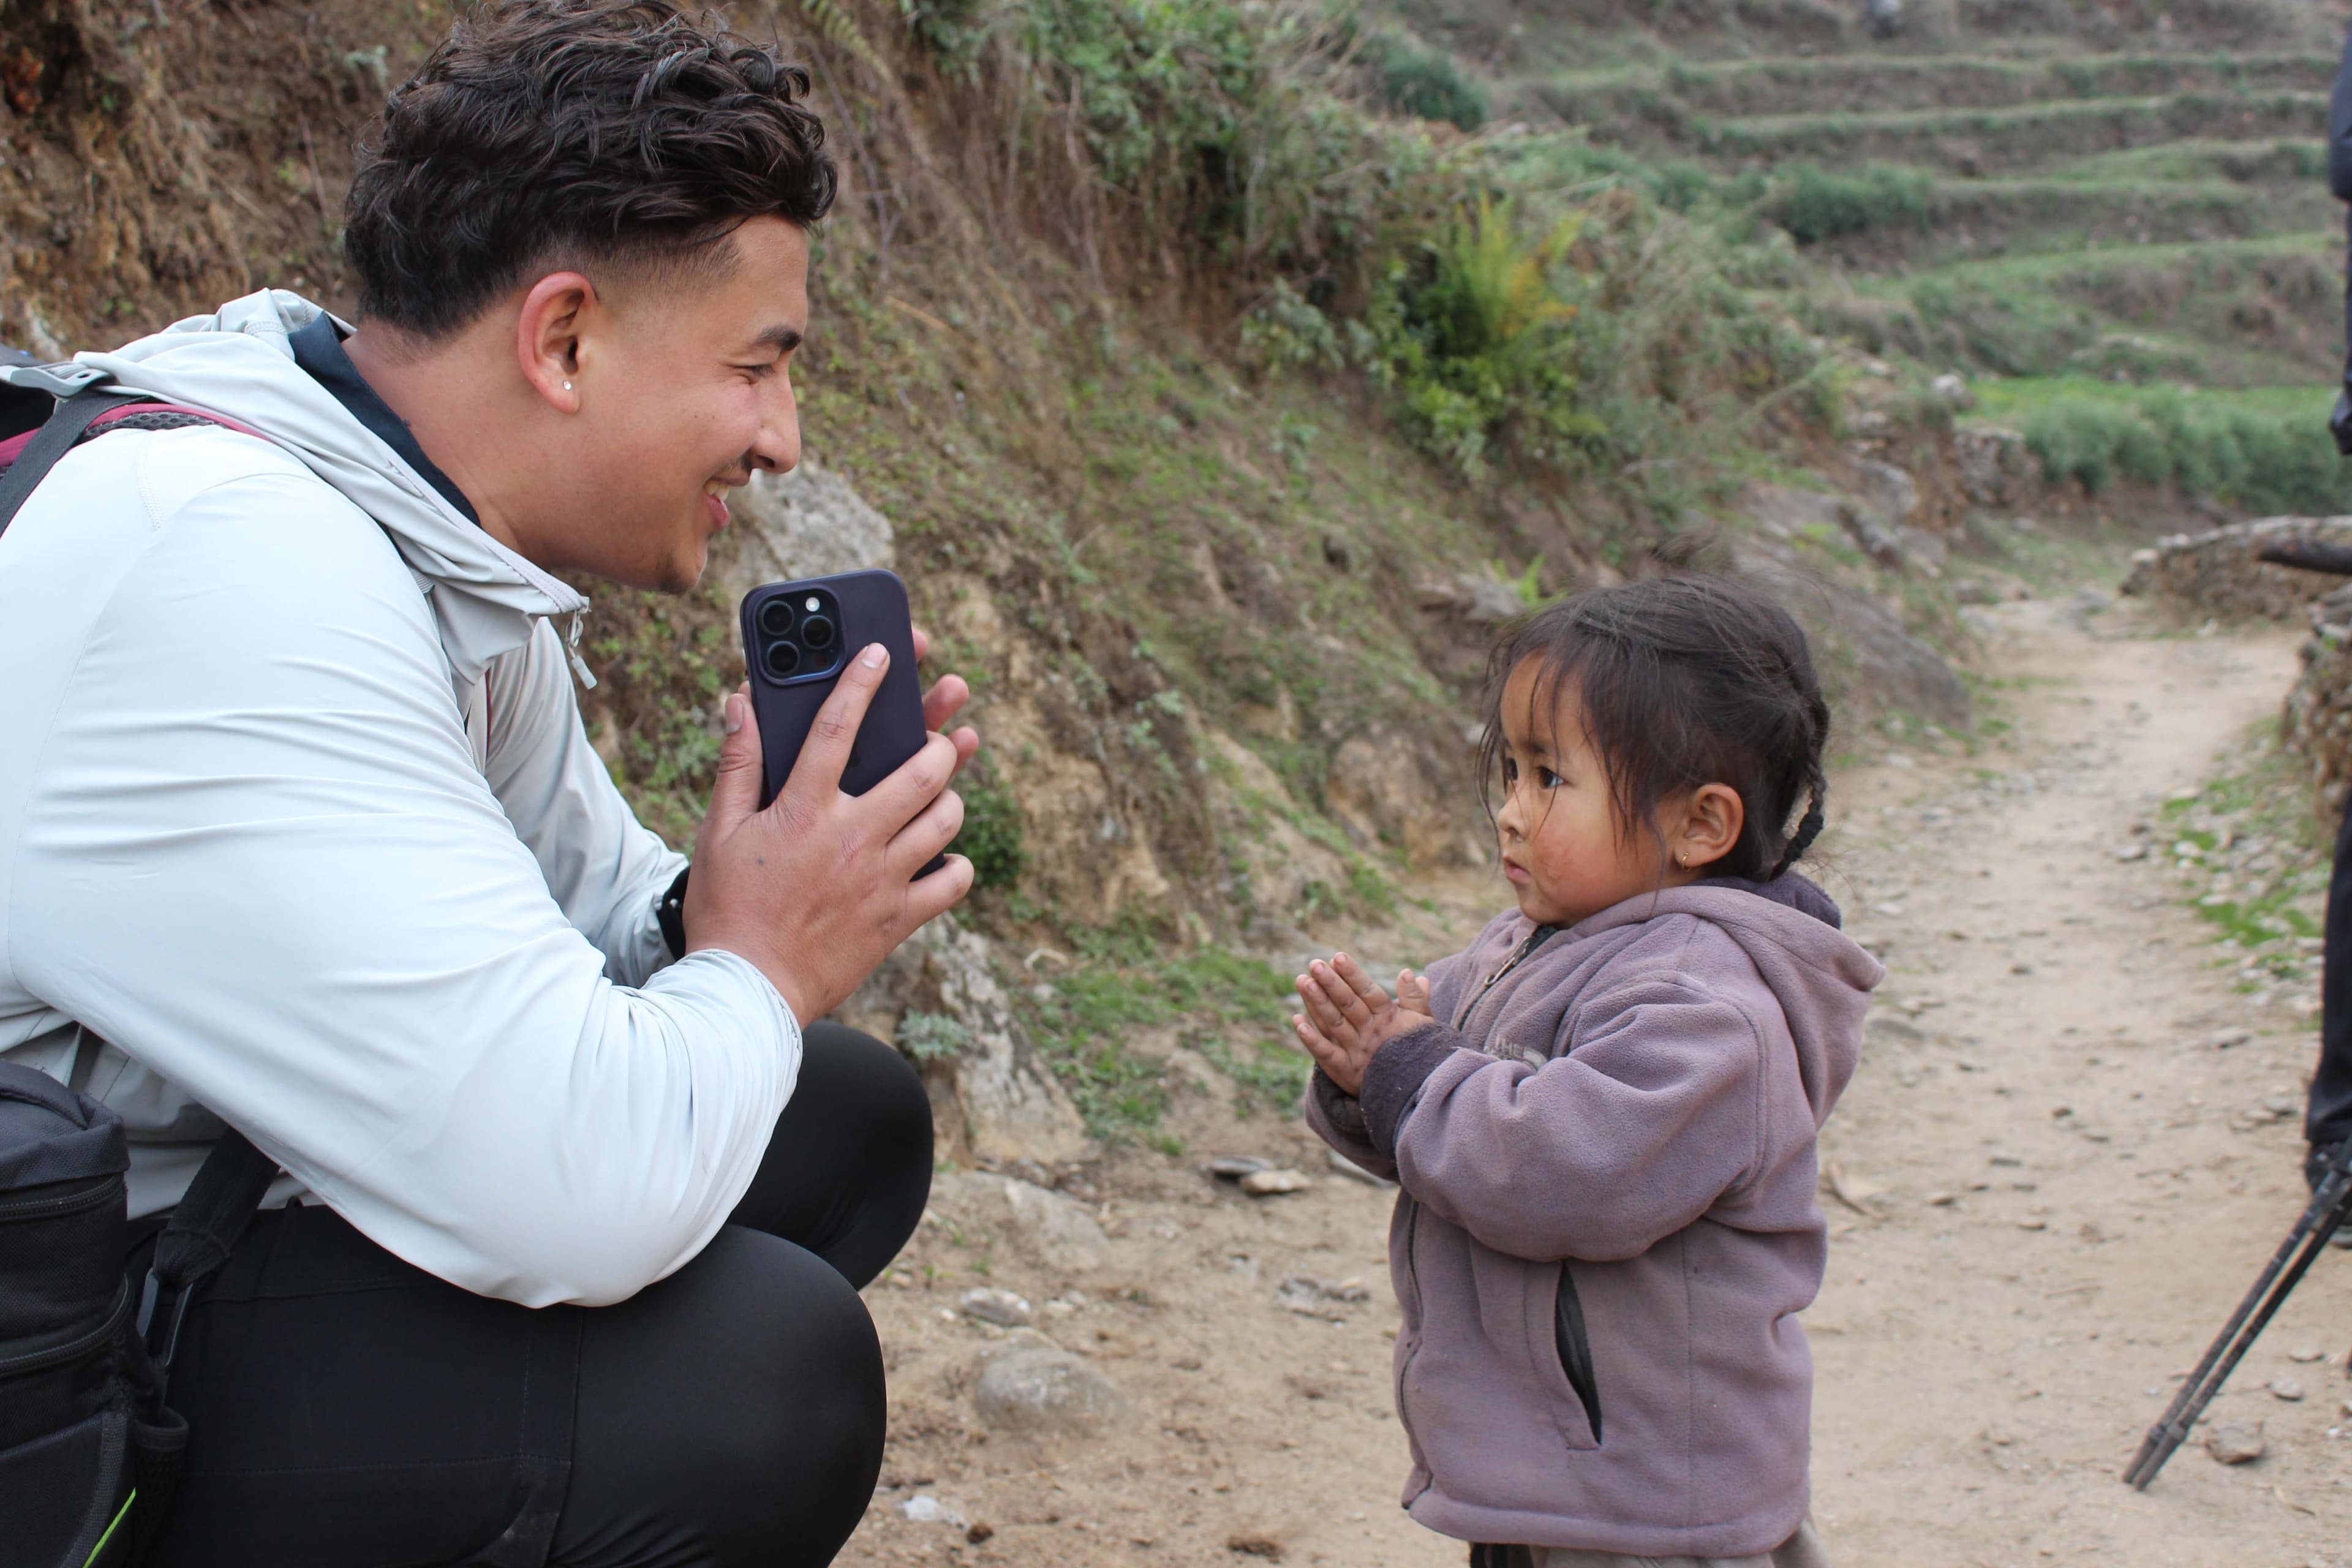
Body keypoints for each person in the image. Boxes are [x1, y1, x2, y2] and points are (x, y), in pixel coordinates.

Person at [0, 2, 978, 1562]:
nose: (783, 438)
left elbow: (584, 904)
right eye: (758, 368)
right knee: (752, 1378)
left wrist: (742, 887)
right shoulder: (236, 573)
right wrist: (765, 953)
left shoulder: (410, 522)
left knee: (836, 1109)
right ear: (564, 340)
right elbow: (570, 1189)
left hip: (152, 1196)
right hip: (31, 1318)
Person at [1294, 576, 1880, 1568]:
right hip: (1548, 1481)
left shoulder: (1707, 1007)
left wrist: (1404, 1074)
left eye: (1550, 779)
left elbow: (1560, 1171)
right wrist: (1365, 1080)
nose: (1512, 813)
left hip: (1651, 1504)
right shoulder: (1533, 943)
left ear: (1701, 825)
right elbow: (1436, 1098)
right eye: (1511, 771)